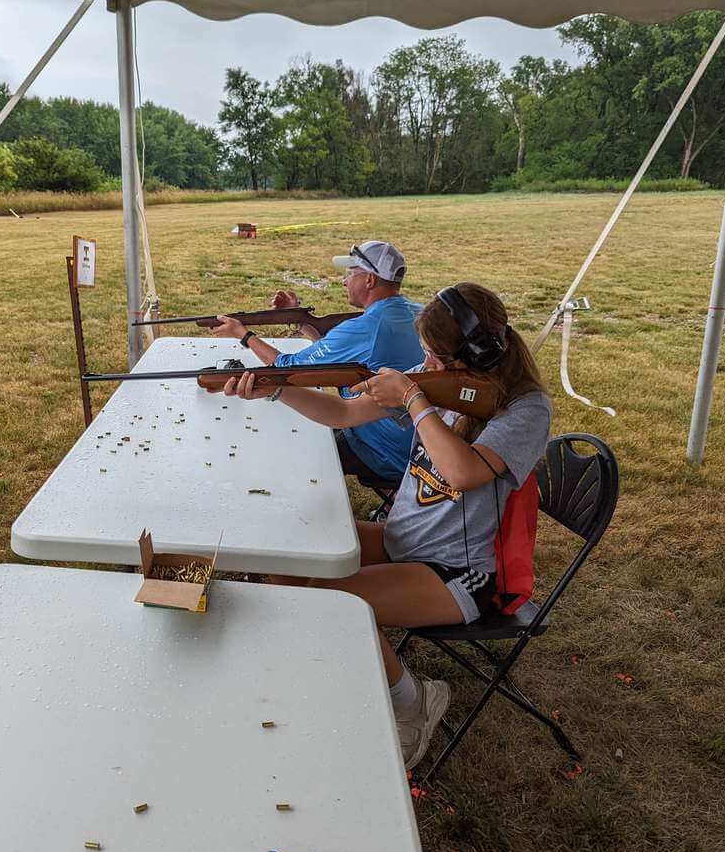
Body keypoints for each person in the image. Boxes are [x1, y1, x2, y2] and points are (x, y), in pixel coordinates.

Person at [216, 283, 551, 769]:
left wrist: (414, 398)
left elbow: (462, 472)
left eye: (435, 356)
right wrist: (278, 388)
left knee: (336, 602)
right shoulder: (435, 380)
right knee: (290, 547)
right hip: (404, 540)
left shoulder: (526, 409)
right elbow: (343, 413)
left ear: (476, 354)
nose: (426, 363)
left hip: (461, 573)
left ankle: (414, 704)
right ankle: (312, 666)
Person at [210, 241, 424, 486]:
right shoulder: (418, 311)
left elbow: (286, 369)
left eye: (350, 273)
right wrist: (300, 321)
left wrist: (243, 334)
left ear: (369, 280)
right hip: (419, 441)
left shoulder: (367, 327)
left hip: (386, 451)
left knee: (292, 448)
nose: (344, 281)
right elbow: (337, 353)